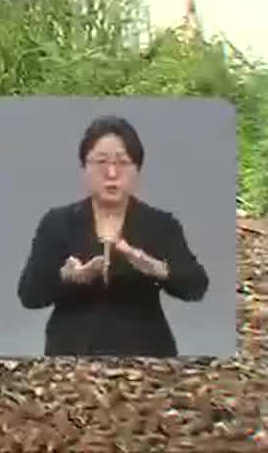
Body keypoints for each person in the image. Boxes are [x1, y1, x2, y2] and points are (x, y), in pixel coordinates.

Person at [16, 115, 210, 357]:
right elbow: (29, 295)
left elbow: (197, 287)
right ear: (84, 169)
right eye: (100, 161)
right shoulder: (57, 222)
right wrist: (67, 277)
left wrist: (158, 269)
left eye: (123, 162)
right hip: (70, 358)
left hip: (148, 358)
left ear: (137, 170)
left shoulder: (161, 224)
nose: (111, 172)